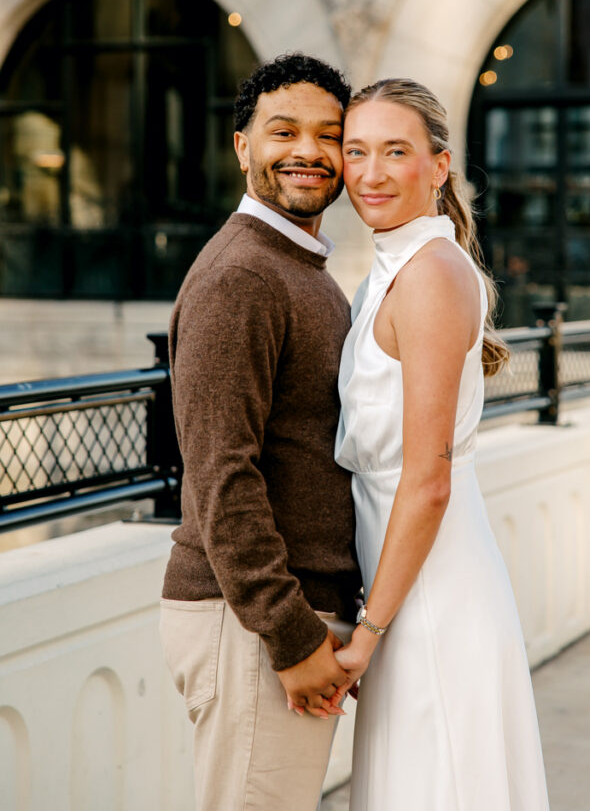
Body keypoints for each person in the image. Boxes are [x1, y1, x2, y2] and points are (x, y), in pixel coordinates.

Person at [333, 79, 550, 810]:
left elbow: (428, 478)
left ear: (438, 165)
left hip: (427, 592)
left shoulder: (428, 274)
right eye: (355, 151)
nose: (369, 172)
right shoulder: (394, 266)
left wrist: (366, 632)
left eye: (395, 151)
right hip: (403, 580)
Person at [159, 53, 361, 811]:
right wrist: (290, 632)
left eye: (327, 135)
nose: (307, 151)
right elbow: (220, 474)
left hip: (285, 611)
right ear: (242, 146)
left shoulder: (300, 268)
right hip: (252, 618)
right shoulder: (243, 275)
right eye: (283, 132)